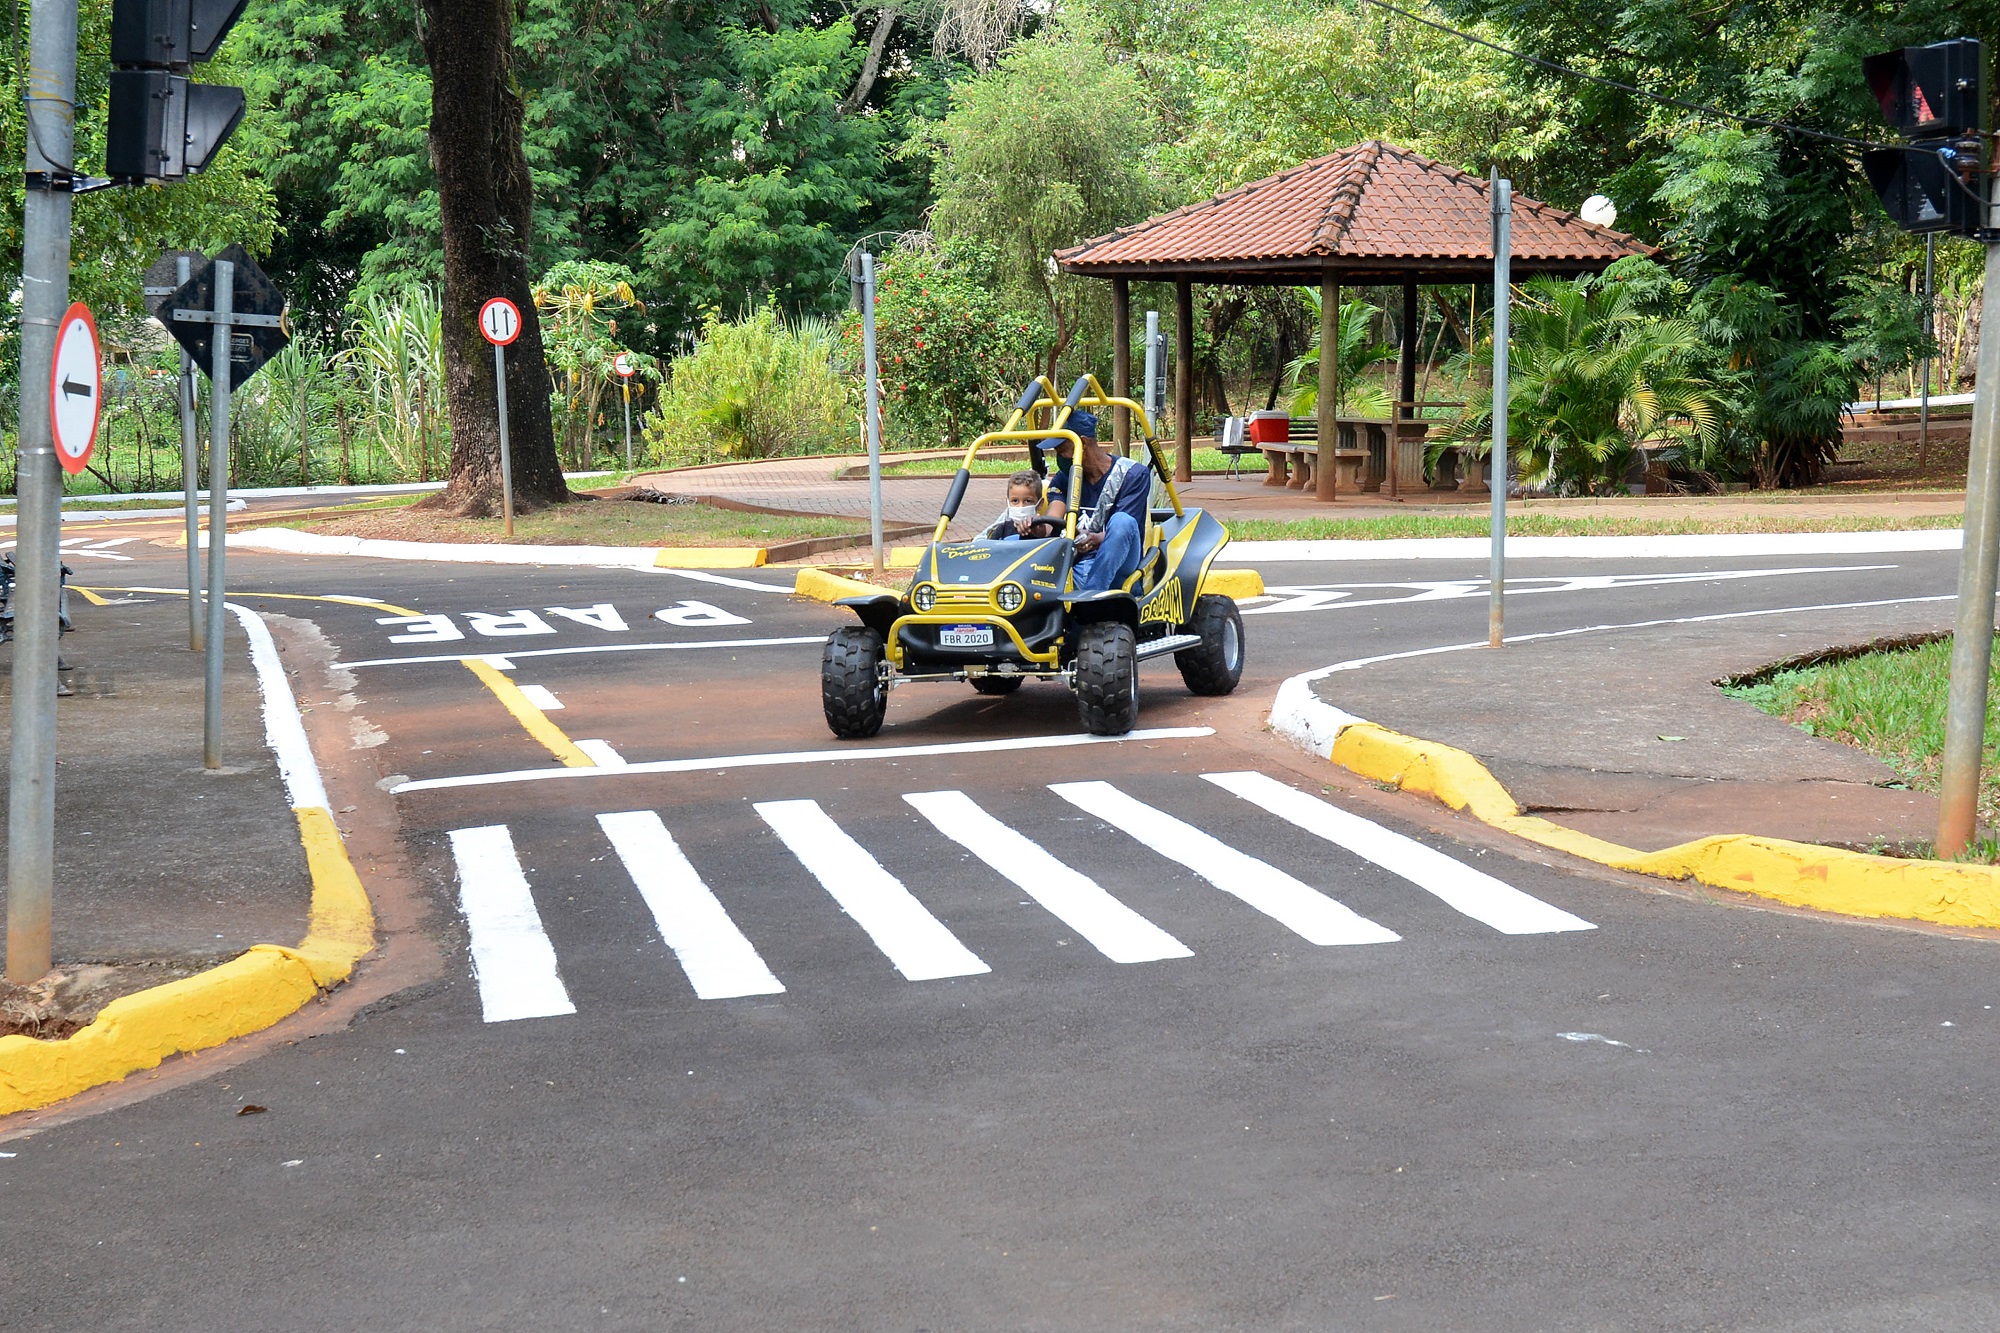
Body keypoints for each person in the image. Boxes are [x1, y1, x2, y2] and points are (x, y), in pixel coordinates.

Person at [1040, 409, 1147, 592]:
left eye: (1062, 450)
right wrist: (1037, 527)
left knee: (1122, 521)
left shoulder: (1132, 475)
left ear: (1082, 443)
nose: (1060, 457)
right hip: (1076, 562)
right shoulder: (1064, 477)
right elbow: (1053, 517)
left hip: (1120, 562)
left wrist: (1094, 538)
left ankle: (1092, 595)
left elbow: (1126, 531)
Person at [984, 470, 1061, 540]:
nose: (1020, 506)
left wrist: (1042, 534)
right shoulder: (1001, 530)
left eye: (1027, 501)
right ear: (1008, 502)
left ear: (1040, 504)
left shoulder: (1042, 530)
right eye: (1015, 501)